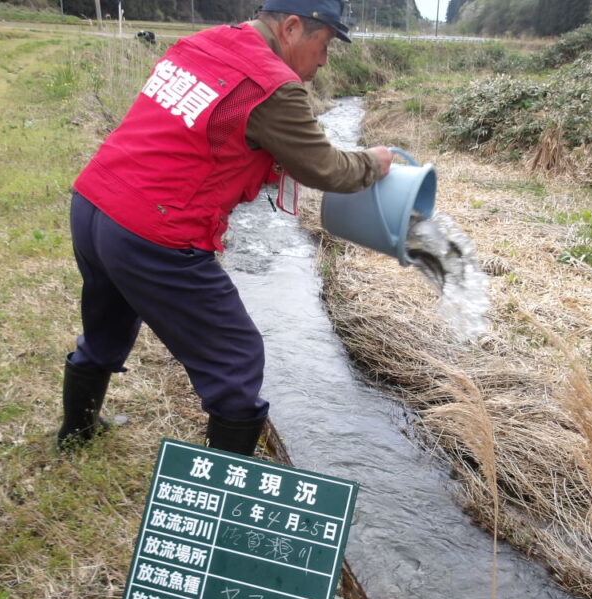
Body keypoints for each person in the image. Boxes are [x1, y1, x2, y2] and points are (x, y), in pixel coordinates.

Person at [58, 0, 394, 456]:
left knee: (106, 325)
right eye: (325, 43)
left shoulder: (203, 42)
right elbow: (328, 169)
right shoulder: (274, 86)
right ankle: (223, 491)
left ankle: (75, 435)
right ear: (293, 28)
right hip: (154, 230)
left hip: (94, 203)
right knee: (236, 357)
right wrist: (372, 162)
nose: (324, 59)